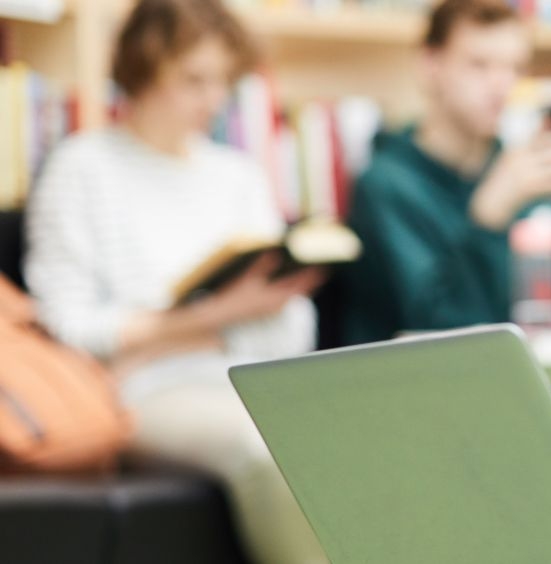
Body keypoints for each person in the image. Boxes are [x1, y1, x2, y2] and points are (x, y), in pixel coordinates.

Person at [24, 0, 328, 562]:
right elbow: (69, 331)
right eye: (193, 80)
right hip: (145, 395)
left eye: (222, 82)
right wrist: (217, 318)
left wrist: (161, 335)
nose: (212, 100)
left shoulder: (238, 177)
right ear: (143, 70)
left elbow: (292, 331)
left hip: (250, 381)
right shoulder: (81, 168)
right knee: (268, 448)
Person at [339, 0, 551, 345]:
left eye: (514, 68)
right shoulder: (385, 186)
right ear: (430, 66)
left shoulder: (518, 173)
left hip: (520, 381)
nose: (501, 85)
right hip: (419, 387)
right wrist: (487, 218)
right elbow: (439, 328)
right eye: (479, 65)